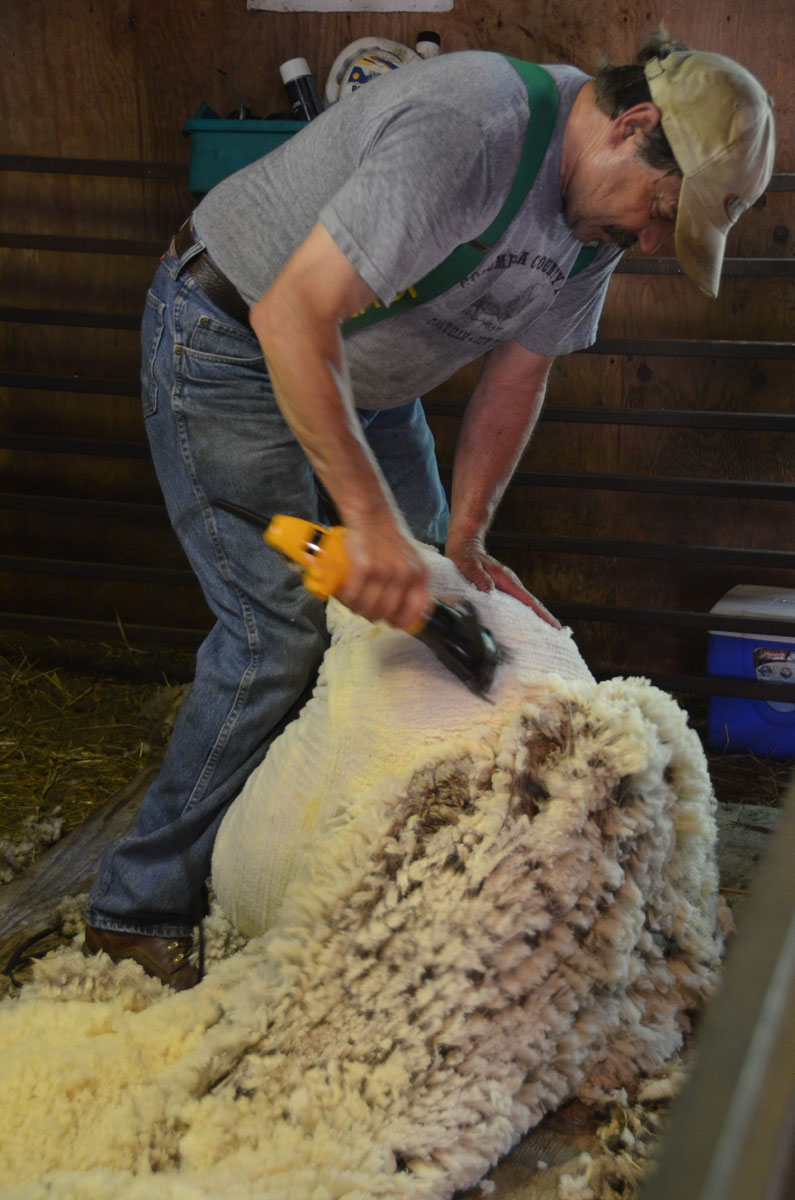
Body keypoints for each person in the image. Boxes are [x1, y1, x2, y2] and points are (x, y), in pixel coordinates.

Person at [84, 33, 774, 989]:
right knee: (274, 633)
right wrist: (366, 521)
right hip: (234, 337)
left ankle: (318, 846)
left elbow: (518, 375)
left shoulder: (594, 226)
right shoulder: (474, 126)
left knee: (435, 599)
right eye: (659, 215)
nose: (651, 243)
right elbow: (294, 316)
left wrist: (465, 535)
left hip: (367, 378)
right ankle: (136, 903)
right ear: (632, 126)